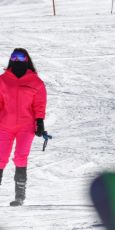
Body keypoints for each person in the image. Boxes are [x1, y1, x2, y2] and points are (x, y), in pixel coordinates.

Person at [0, 48, 47, 206]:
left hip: (26, 127)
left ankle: (19, 196)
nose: (17, 59)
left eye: (21, 57)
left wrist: (39, 122)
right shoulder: (3, 80)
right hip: (4, 126)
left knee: (20, 157)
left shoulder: (36, 82)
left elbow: (39, 105)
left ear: (27, 59)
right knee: (0, 158)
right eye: (14, 56)